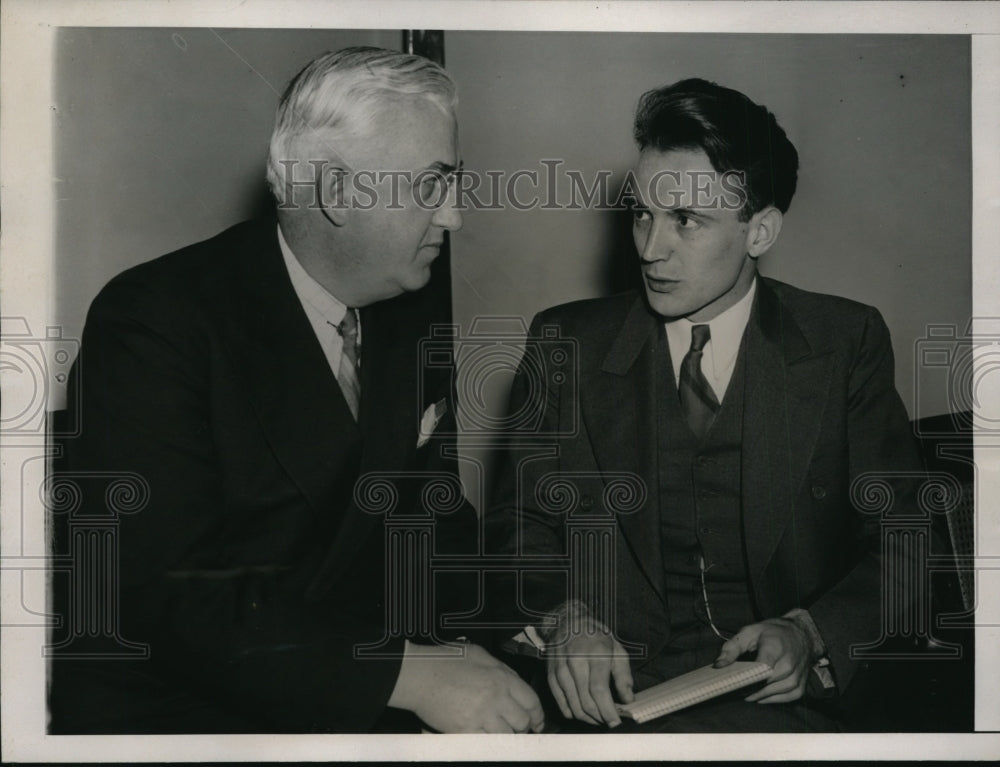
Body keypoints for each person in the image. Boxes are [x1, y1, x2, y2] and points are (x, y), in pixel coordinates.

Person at [49, 46, 543, 734]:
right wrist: (410, 672)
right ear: (336, 193)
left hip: (339, 688)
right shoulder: (154, 319)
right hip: (180, 715)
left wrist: (537, 613)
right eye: (431, 186)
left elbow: (425, 521)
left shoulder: (404, 313)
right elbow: (175, 596)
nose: (455, 216)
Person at [486, 78, 923, 732]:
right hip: (605, 705)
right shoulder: (565, 342)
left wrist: (809, 632)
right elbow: (512, 530)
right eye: (642, 212)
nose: (649, 248)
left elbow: (905, 541)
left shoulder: (843, 343)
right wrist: (564, 618)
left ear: (760, 230)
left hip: (783, 704)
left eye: (686, 220)